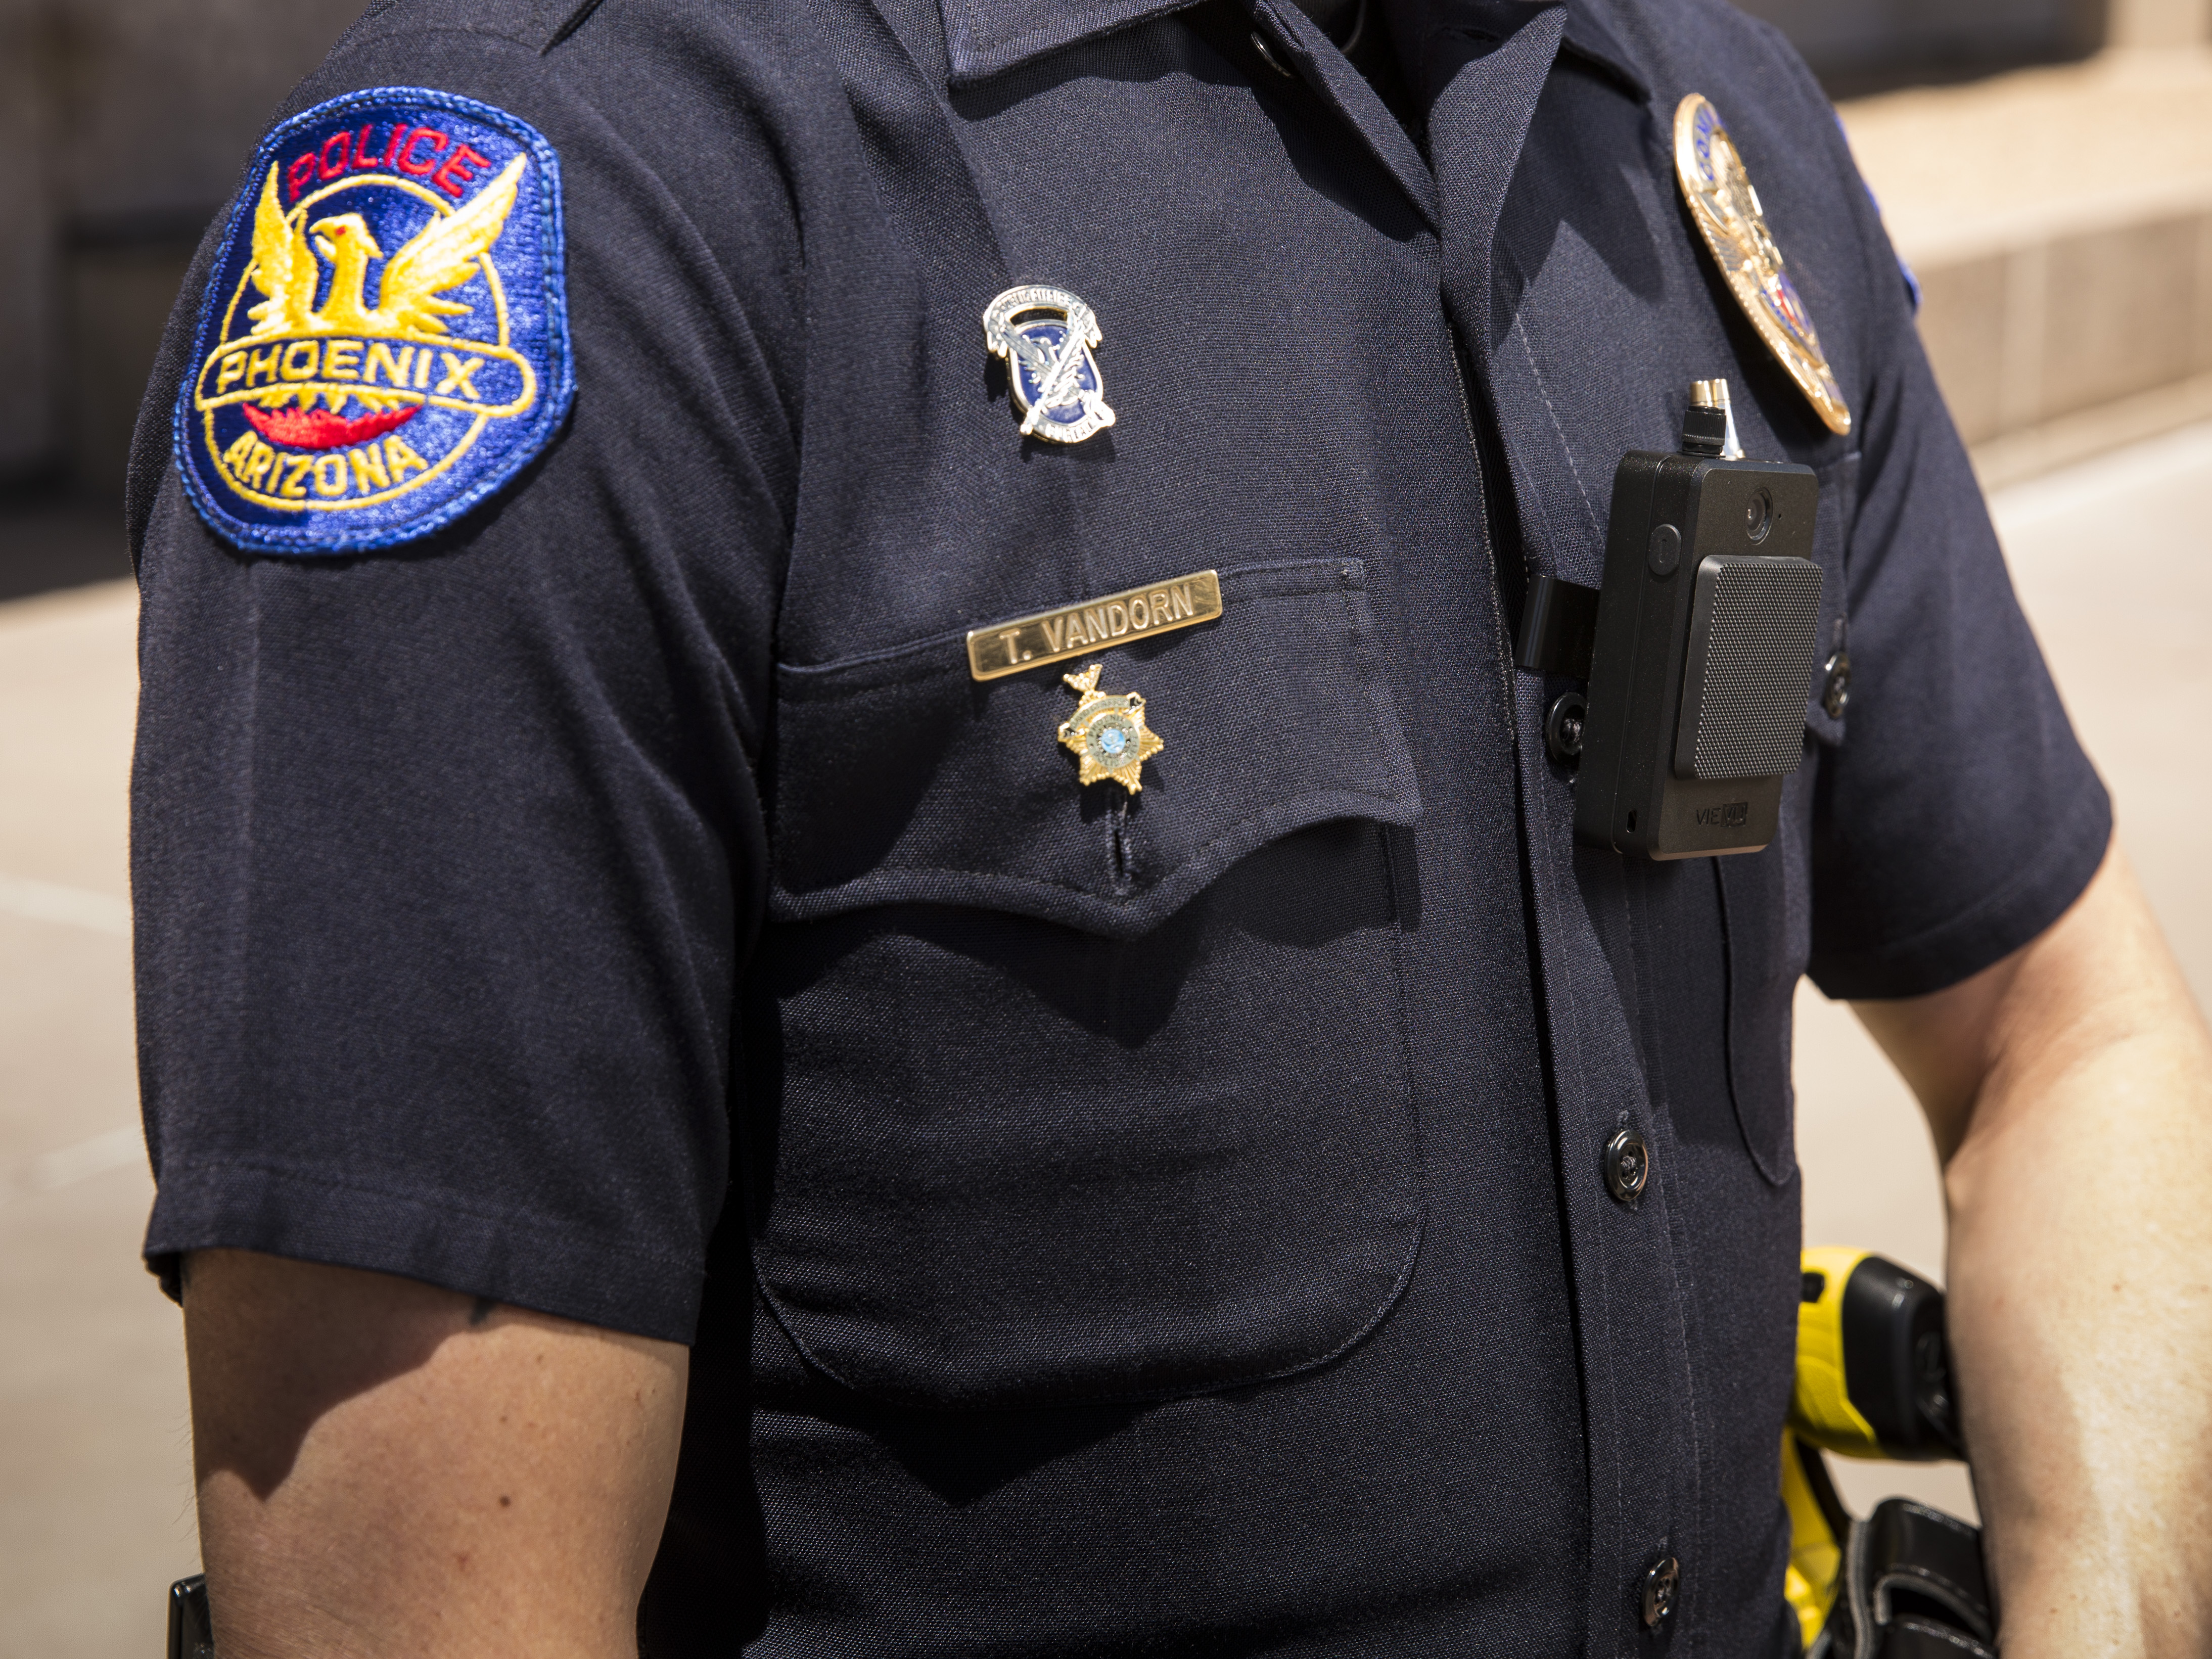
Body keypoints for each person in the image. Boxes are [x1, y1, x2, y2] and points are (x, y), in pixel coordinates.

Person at [128, 0, 2212, 1653]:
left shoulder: (1682, 121)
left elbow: (2064, 1014)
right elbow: (413, 1596)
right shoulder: (577, 189)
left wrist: (2099, 1604)